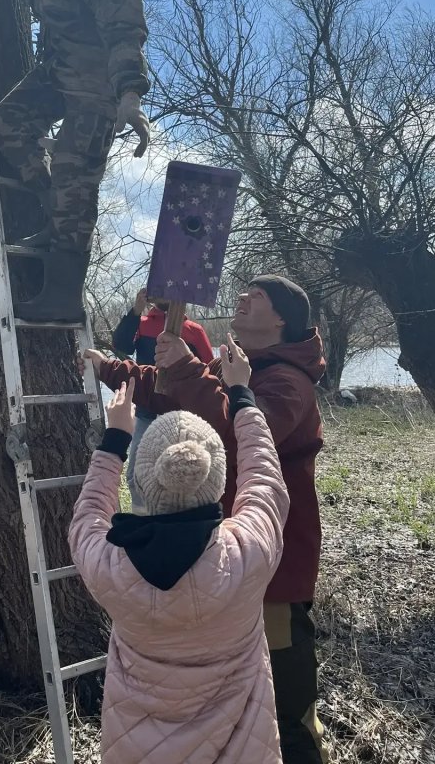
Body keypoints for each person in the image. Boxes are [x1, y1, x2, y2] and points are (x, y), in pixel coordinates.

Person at [83, 275, 328, 764]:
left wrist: (194, 371)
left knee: (285, 697)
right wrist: (112, 369)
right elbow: (172, 390)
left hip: (275, 560)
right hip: (233, 549)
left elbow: (244, 435)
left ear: (281, 318)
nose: (241, 298)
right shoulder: (239, 363)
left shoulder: (287, 381)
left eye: (256, 296)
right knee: (236, 692)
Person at [0, 0, 150, 323]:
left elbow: (124, 22)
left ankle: (63, 299)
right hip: (57, 68)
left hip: (98, 86)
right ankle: (49, 210)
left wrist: (129, 93)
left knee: (75, 175)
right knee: (7, 121)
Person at [112, 288, 213, 512]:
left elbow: (209, 372)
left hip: (182, 416)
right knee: (136, 473)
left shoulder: (194, 331)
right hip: (147, 412)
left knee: (185, 471)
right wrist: (136, 311)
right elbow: (120, 345)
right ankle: (144, 522)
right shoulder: (142, 323)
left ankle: (180, 523)